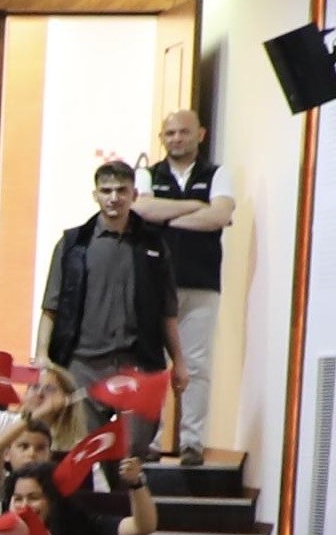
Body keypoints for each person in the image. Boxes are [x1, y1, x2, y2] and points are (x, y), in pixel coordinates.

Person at [39, 161, 180, 449]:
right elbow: (51, 307)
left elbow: (167, 312)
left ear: (134, 195)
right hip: (83, 366)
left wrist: (179, 361)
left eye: (121, 190)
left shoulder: (154, 245)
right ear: (95, 195)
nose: (114, 198)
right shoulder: (72, 244)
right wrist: (42, 355)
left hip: (138, 364)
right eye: (106, 191)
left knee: (133, 454)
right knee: (83, 451)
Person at [132, 107, 231, 448]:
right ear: (162, 138)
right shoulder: (147, 175)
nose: (177, 139)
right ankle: (151, 442)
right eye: (170, 133)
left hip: (201, 283)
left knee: (197, 366)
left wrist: (165, 216)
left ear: (200, 134)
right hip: (154, 285)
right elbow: (141, 210)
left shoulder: (217, 174)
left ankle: (191, 442)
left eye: (184, 132)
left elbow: (219, 216)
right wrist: (196, 206)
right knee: (153, 365)